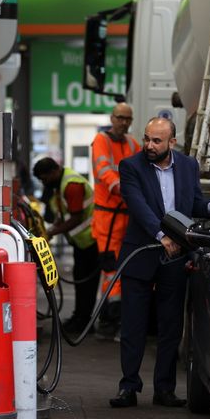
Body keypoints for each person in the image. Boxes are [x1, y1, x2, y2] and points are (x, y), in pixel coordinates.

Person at [109, 117, 210, 408]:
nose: (149, 146)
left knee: (171, 325)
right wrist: (162, 235)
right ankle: (129, 387)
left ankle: (164, 389)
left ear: (172, 143)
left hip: (175, 257)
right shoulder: (131, 166)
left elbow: (195, 205)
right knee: (134, 325)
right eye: (147, 138)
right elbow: (138, 207)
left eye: (156, 141)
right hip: (140, 254)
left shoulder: (188, 166)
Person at [90, 102, 140, 340]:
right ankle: (109, 322)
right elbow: (104, 170)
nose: (123, 122)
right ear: (112, 118)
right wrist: (123, 188)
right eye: (120, 117)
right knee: (111, 270)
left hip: (127, 216)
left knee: (124, 269)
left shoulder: (132, 143)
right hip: (107, 218)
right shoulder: (101, 140)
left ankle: (113, 321)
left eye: (127, 118)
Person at [32, 157, 98, 334]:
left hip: (92, 240)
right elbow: (64, 214)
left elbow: (76, 217)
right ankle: (79, 317)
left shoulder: (72, 185)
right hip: (81, 242)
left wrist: (51, 233)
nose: (43, 182)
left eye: (44, 178)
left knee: (87, 284)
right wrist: (50, 229)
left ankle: (84, 322)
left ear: (53, 172)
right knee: (80, 281)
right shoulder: (60, 185)